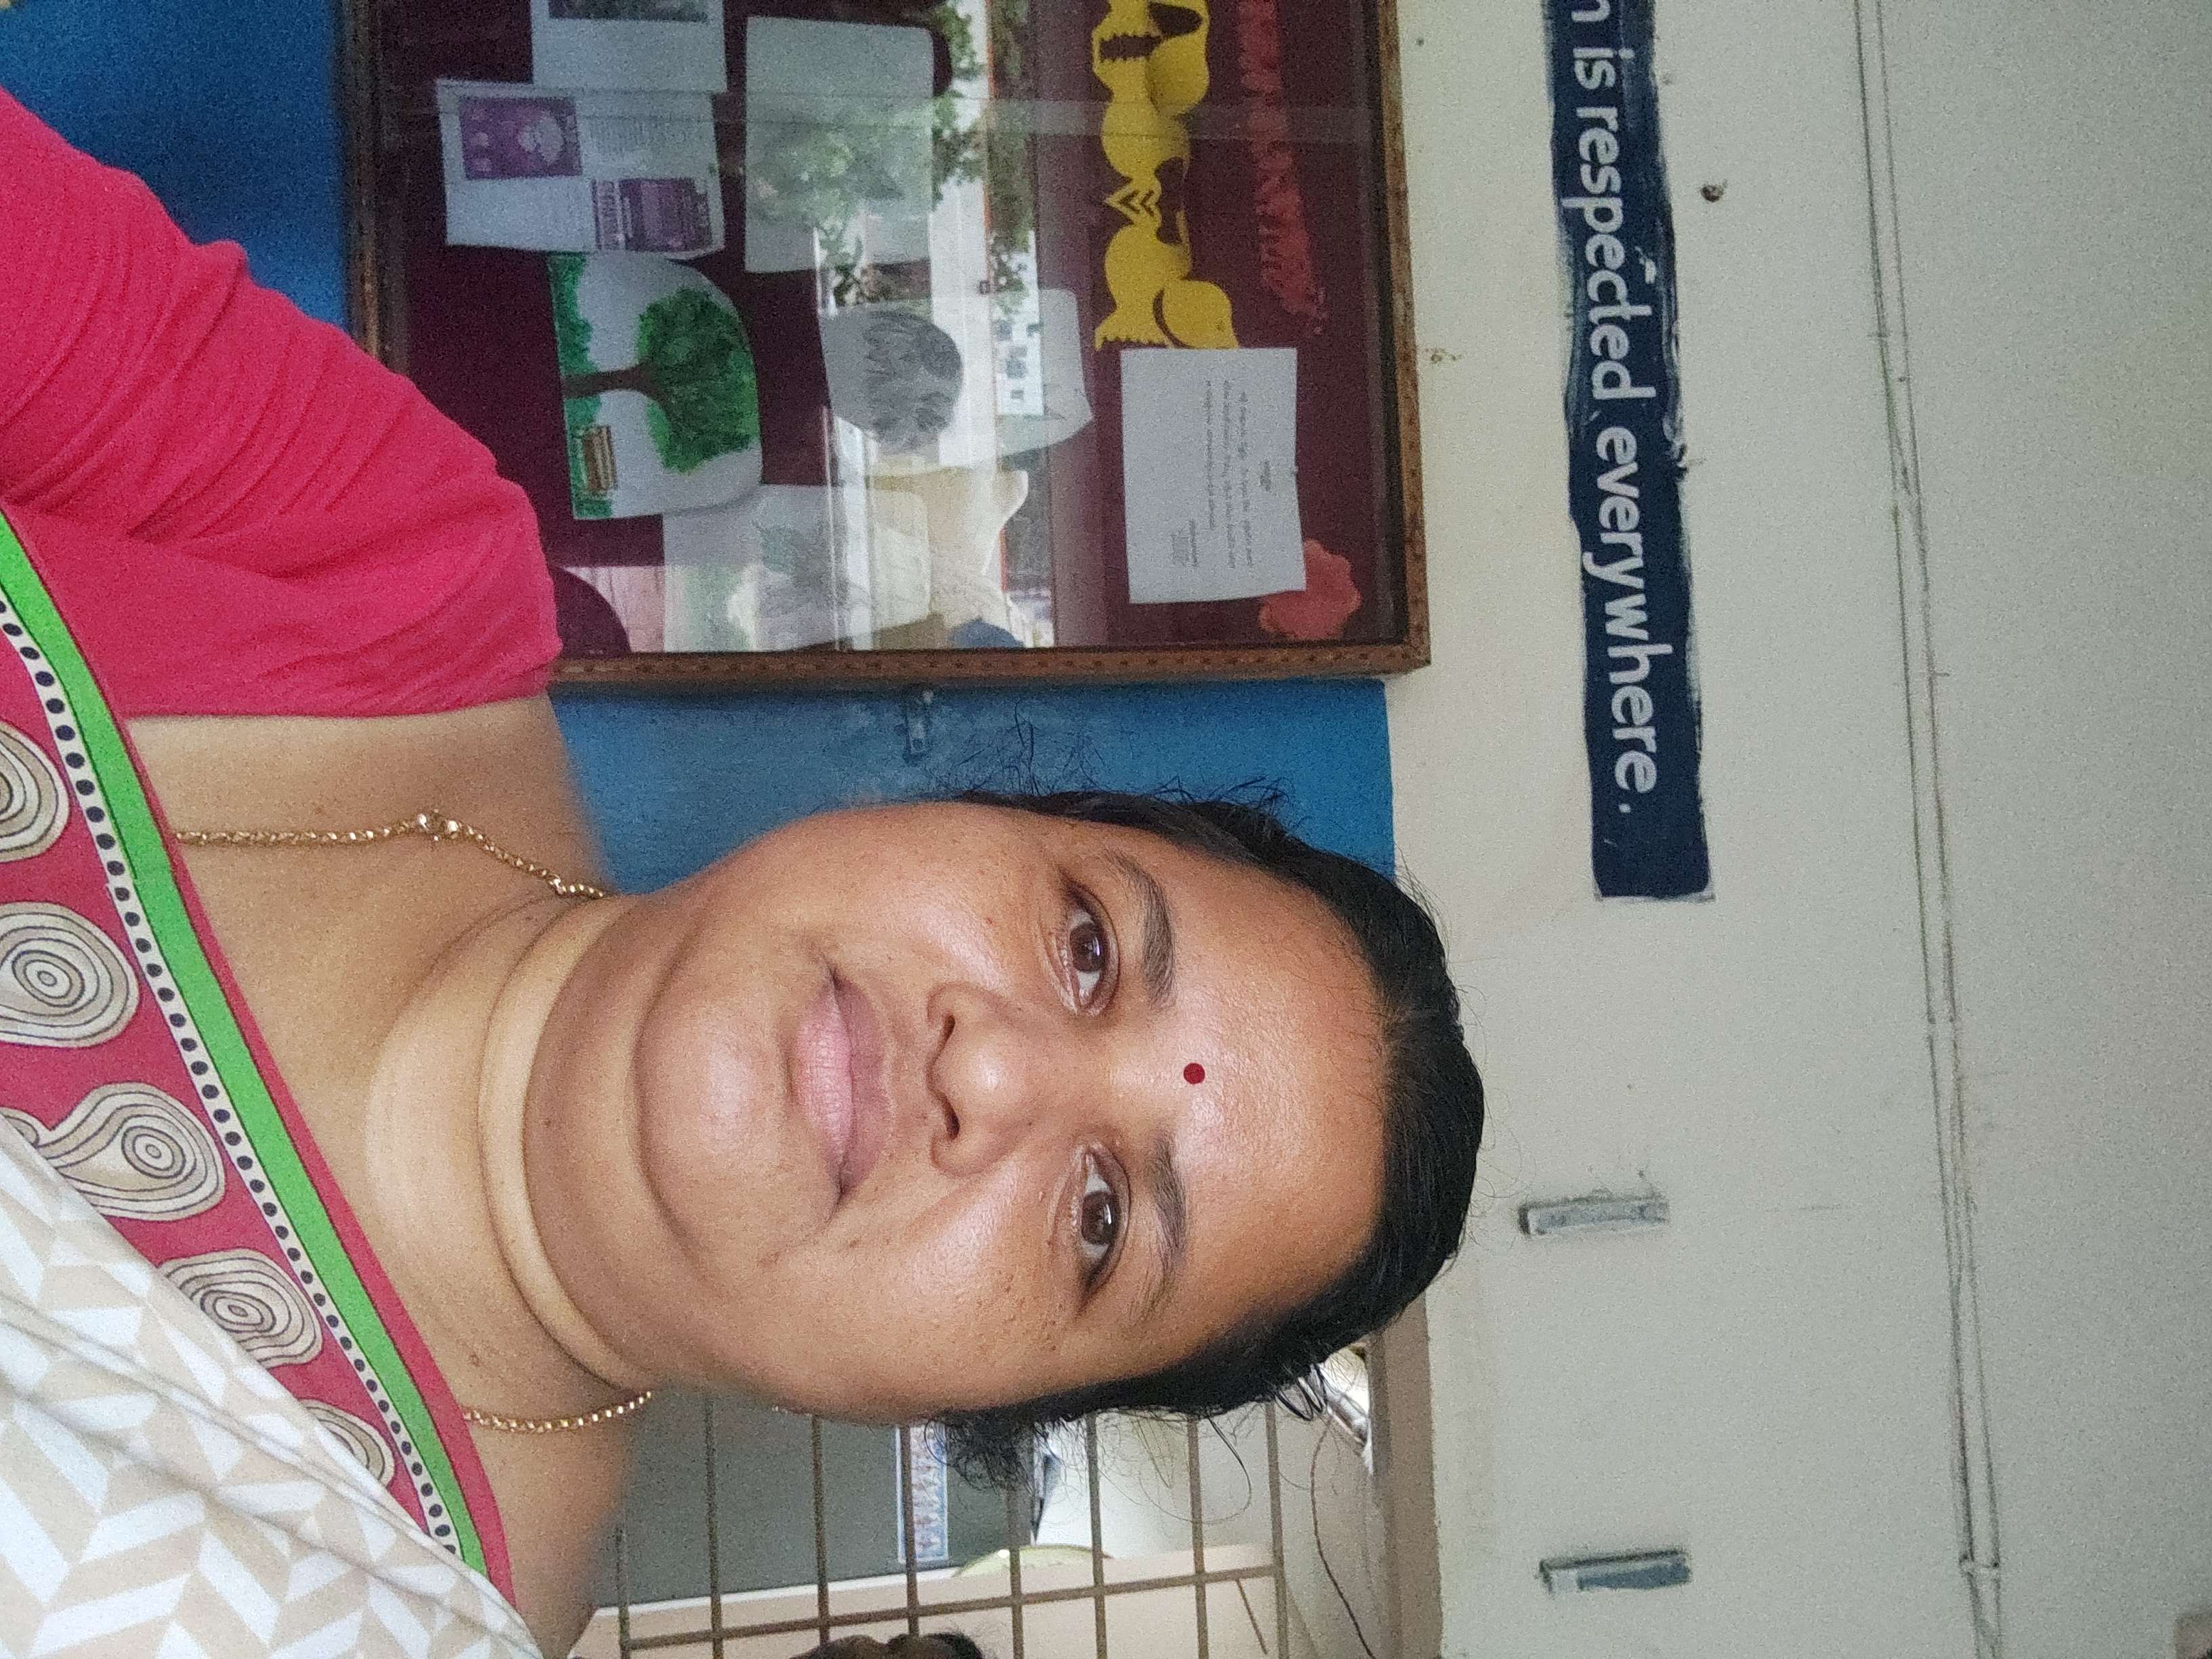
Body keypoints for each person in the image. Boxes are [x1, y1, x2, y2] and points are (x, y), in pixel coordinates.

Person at [0, 89, 1483, 1658]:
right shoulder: (373, 556)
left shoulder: (365, 1616)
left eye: (1104, 1221)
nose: (990, 1070)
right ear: (969, 809)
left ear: (984, 1408)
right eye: (1089, 946)